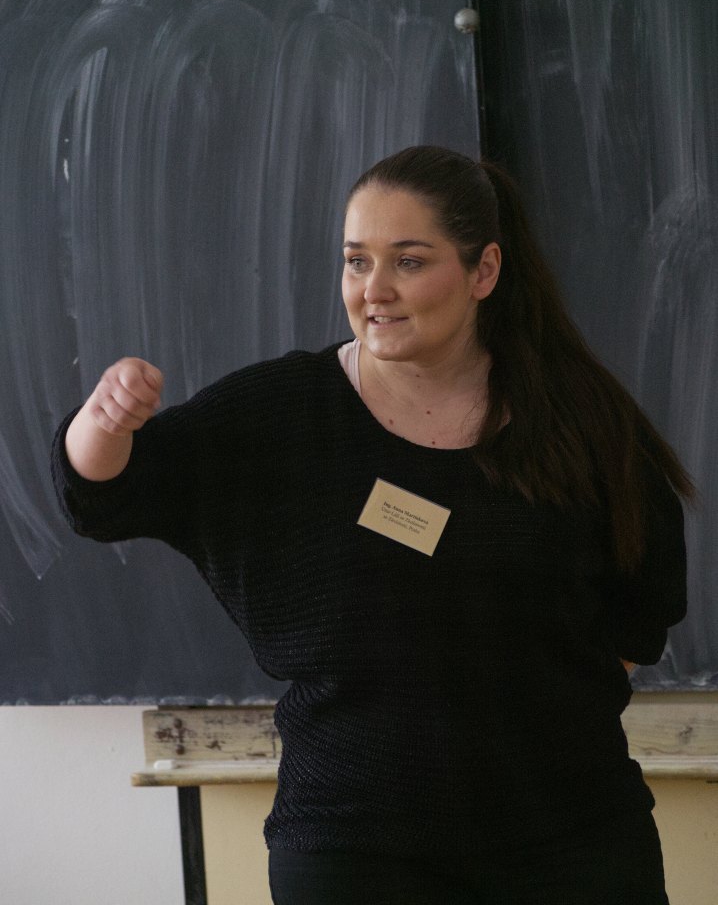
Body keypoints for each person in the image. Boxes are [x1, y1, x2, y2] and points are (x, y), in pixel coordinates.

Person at [52, 146, 691, 905]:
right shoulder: (284, 413)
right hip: (353, 847)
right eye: (357, 261)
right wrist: (104, 421)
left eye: (408, 262)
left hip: (572, 843)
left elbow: (640, 612)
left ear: (484, 271)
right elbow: (105, 495)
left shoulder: (580, 421)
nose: (374, 289)